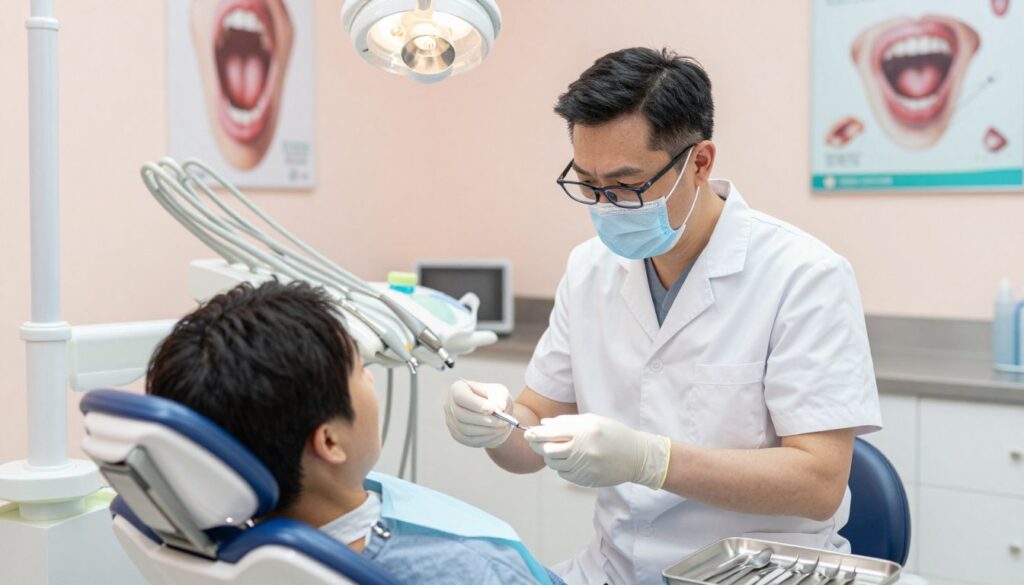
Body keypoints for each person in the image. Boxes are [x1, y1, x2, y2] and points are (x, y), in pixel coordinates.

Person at [444, 47, 883, 585]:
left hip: (754, 571)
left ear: (700, 163)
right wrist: (494, 425)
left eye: (627, 185)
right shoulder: (589, 270)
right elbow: (531, 435)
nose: (606, 205)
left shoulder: (804, 275)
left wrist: (653, 461)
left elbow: (819, 484)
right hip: (613, 570)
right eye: (588, 183)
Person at [147, 280, 563, 585]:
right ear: (330, 442)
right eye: (359, 370)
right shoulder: (468, 569)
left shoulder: (230, 547)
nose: (371, 378)